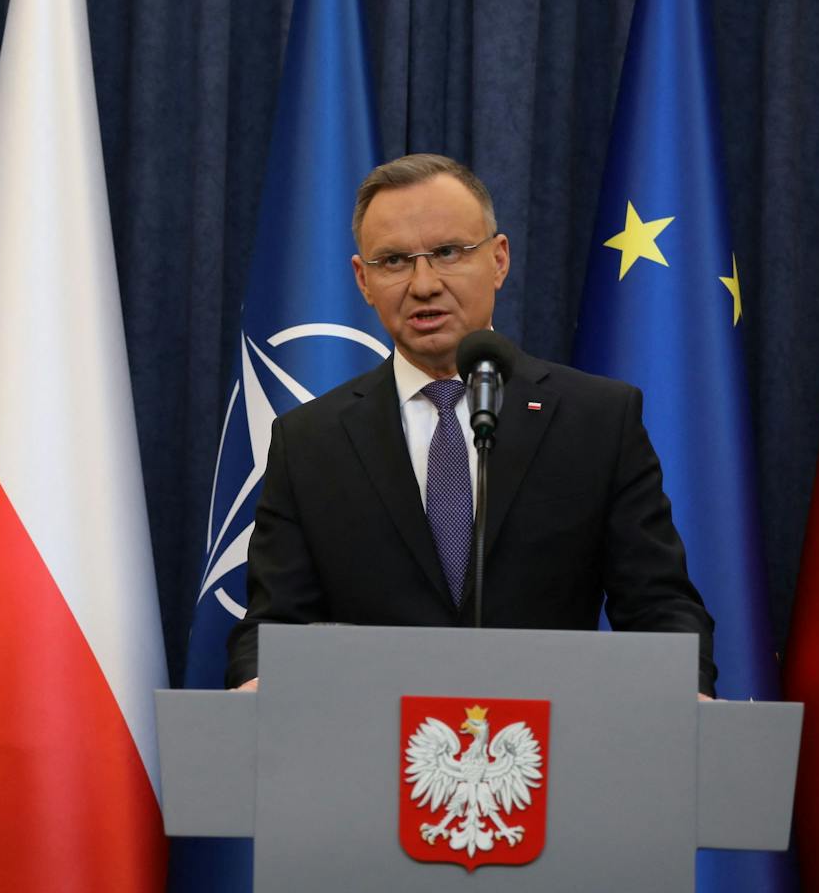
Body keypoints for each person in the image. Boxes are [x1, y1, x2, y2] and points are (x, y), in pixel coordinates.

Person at [227, 153, 715, 694]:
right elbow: (273, 625)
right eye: (393, 261)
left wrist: (687, 693)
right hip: (371, 759)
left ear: (499, 259)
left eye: (448, 252)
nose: (424, 284)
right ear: (362, 280)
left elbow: (658, 604)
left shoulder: (596, 421)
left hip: (547, 751)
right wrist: (256, 682)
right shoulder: (310, 442)